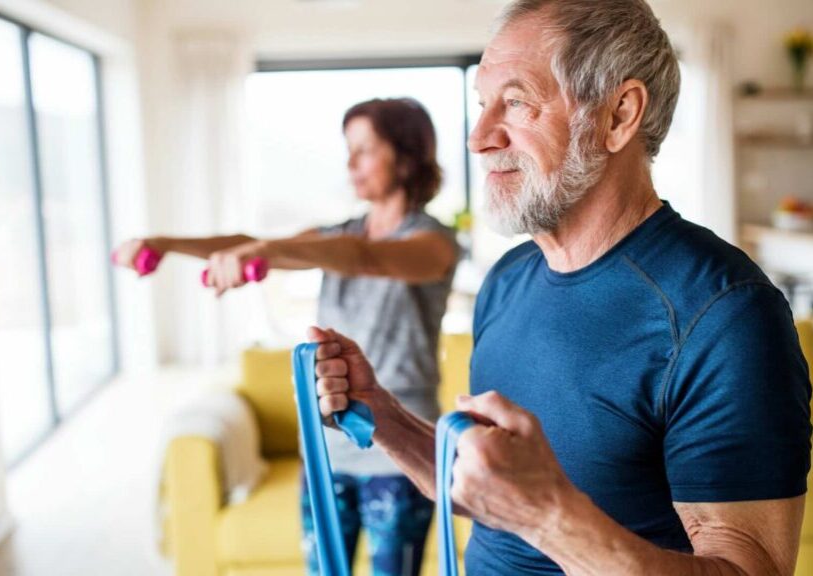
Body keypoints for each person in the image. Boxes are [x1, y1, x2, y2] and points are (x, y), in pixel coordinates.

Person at [309, 1, 813, 575]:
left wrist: (549, 516)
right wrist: (384, 416)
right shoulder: (507, 281)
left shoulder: (725, 316)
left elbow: (751, 569)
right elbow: (491, 497)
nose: (478, 138)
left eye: (517, 102)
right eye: (482, 106)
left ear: (619, 114)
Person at [113, 97, 458, 576]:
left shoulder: (433, 242)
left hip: (398, 456)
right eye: (348, 150)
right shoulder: (338, 234)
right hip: (325, 447)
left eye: (364, 149)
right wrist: (167, 245)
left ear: (404, 155)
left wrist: (270, 250)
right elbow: (254, 241)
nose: (350, 162)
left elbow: (362, 257)